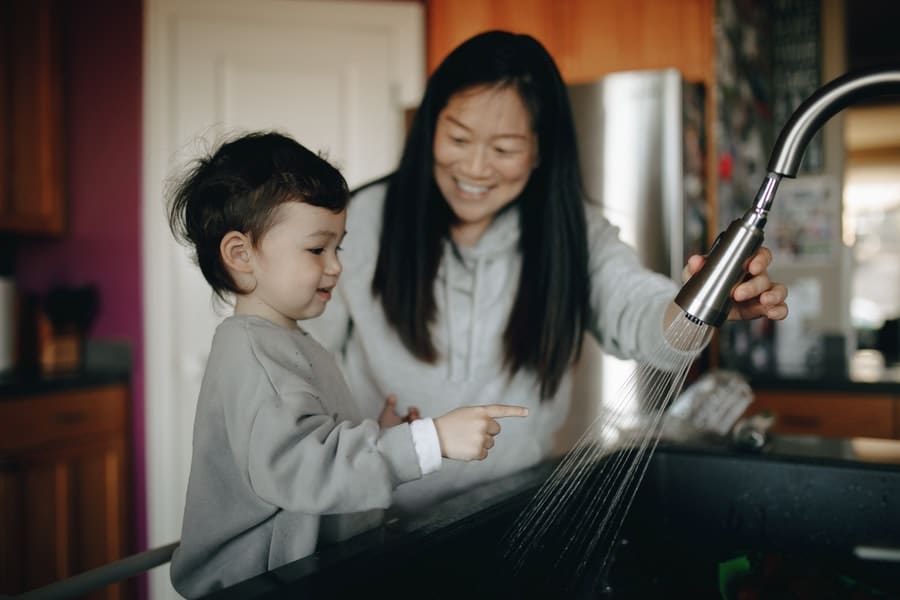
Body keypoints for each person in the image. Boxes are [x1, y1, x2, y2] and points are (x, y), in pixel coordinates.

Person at [305, 30, 789, 515]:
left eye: (504, 148)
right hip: (371, 524)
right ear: (430, 127)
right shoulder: (360, 223)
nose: (474, 167)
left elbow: (642, 316)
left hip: (506, 514)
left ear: (540, 151)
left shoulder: (573, 233)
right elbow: (303, 368)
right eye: (457, 137)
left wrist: (702, 305)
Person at [165, 131, 528, 597]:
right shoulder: (254, 355)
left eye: (338, 247)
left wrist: (375, 428)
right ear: (241, 255)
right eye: (317, 249)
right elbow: (305, 470)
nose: (336, 265)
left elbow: (309, 441)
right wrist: (428, 440)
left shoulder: (288, 342)